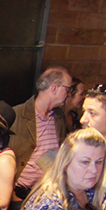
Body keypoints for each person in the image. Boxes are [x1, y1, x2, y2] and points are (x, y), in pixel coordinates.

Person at [11, 66, 73, 195]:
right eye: (68, 89)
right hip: (18, 194)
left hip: (46, 193)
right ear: (55, 88)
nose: (69, 94)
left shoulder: (59, 118)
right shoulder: (17, 115)